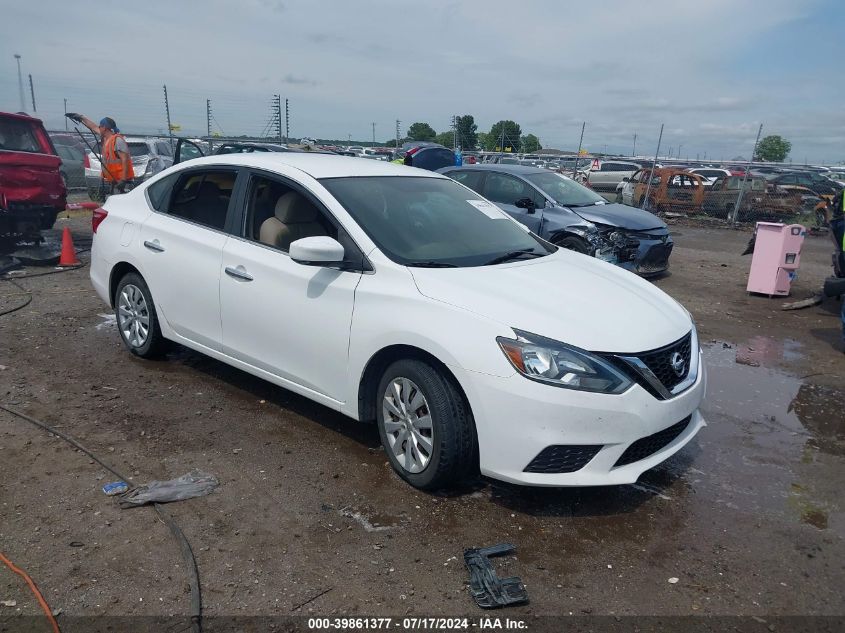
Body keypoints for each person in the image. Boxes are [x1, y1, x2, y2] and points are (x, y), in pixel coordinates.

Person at [65, 113, 134, 193]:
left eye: (100, 126)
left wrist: (123, 180)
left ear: (104, 128)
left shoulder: (117, 140)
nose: (99, 128)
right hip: (115, 181)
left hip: (123, 183)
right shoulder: (107, 139)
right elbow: (93, 127)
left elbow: (125, 160)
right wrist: (81, 118)